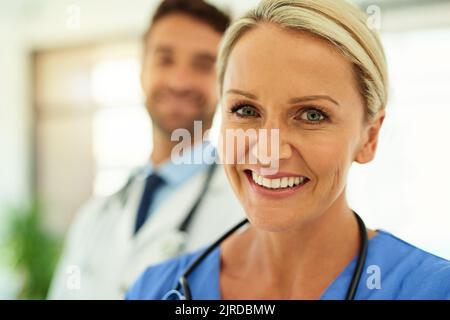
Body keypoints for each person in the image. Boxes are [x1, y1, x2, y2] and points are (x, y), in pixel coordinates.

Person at [126, 0, 450, 300]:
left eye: (312, 115)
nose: (268, 152)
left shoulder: (432, 289)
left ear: (370, 138)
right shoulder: (154, 290)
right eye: (245, 110)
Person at [48, 0, 244, 299]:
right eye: (165, 59)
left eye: (203, 64)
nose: (180, 81)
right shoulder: (94, 218)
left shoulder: (245, 217)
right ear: (141, 72)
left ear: (224, 83)